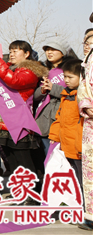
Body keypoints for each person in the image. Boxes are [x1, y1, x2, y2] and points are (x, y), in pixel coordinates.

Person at [0, 41, 48, 190]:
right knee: (11, 159)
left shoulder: (30, 71)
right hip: (4, 121)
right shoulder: (8, 69)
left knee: (24, 160)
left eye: (16, 51)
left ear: (26, 54)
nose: (11, 54)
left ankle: (33, 192)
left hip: (19, 122)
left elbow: (14, 82)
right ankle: (21, 190)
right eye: (10, 51)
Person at [34, 39, 77, 155]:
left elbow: (75, 92)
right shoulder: (45, 71)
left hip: (61, 116)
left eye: (53, 49)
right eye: (47, 50)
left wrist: (53, 88)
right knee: (48, 155)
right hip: (44, 117)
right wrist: (43, 90)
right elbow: (36, 96)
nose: (49, 52)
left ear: (63, 52)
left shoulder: (72, 69)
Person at [49, 59, 84, 190]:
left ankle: (86, 207)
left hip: (79, 147)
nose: (66, 80)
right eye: (65, 76)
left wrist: (80, 146)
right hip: (67, 145)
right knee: (74, 177)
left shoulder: (83, 97)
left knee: (82, 179)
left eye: (70, 77)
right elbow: (60, 117)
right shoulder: (66, 94)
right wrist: (54, 135)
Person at [78, 23, 93, 231]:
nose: (88, 45)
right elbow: (84, 88)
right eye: (87, 42)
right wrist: (87, 106)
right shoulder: (87, 63)